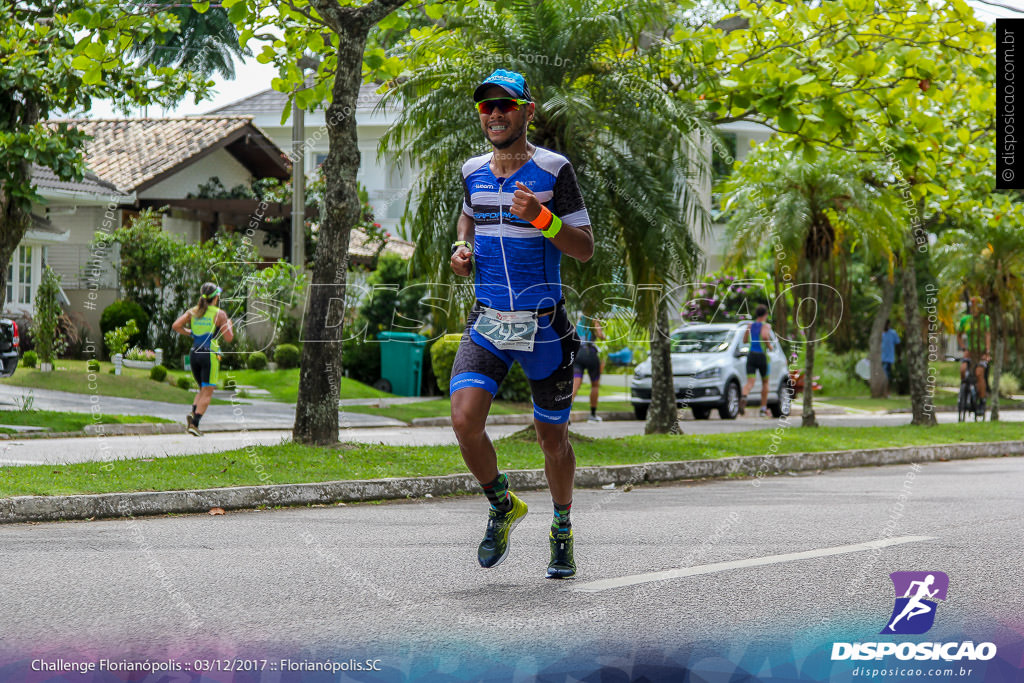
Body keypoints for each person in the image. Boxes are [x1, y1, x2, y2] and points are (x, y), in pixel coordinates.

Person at [449, 69, 593, 579]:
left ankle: (561, 527)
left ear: (527, 111)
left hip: (544, 326)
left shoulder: (555, 170)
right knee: (465, 421)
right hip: (489, 319)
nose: (494, 114)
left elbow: (583, 247)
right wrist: (460, 247)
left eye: (505, 106)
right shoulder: (472, 170)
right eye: (486, 107)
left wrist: (543, 219)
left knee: (552, 440)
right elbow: (469, 215)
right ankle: (503, 504)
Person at [172, 282, 234, 436]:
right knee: (208, 391)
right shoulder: (219, 314)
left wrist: (191, 333)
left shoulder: (194, 311)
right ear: (216, 297)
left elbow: (176, 326)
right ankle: (195, 423)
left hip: (194, 354)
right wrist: (230, 325)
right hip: (209, 355)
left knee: (202, 389)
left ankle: (193, 414)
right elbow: (229, 337)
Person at [956, 297, 991, 413]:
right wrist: (964, 348)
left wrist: (987, 352)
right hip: (970, 352)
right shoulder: (965, 320)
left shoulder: (985, 320)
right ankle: (964, 393)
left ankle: (981, 401)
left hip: (981, 353)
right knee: (963, 369)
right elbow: (959, 335)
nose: (973, 309)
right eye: (972, 306)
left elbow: (987, 336)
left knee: (979, 373)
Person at [740, 304, 773, 417]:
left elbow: (744, 340)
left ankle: (744, 396)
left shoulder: (750, 325)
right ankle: (763, 408)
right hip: (761, 356)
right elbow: (764, 336)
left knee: (750, 382)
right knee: (765, 382)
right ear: (765, 314)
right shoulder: (766, 325)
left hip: (751, 356)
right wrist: (769, 346)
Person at [571, 314, 606, 422]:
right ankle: (593, 414)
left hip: (577, 354)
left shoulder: (577, 321)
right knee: (595, 385)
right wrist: (601, 332)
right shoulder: (593, 320)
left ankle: (566, 415)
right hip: (589, 353)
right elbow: (600, 335)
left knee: (575, 383)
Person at [880, 320, 900, 399]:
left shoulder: (893, 333)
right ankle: (882, 392)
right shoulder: (880, 334)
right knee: (880, 376)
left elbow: (898, 345)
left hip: (889, 359)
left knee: (887, 376)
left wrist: (899, 357)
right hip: (880, 359)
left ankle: (887, 393)